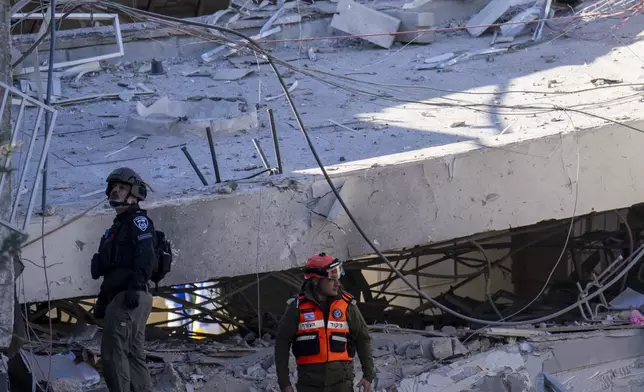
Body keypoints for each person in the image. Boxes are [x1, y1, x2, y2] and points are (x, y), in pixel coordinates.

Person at [90, 167, 156, 392]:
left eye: (122, 187)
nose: (115, 191)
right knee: (132, 354)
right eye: (114, 188)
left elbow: (146, 255)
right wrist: (102, 301)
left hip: (129, 297)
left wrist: (134, 287)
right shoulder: (118, 227)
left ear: (135, 193)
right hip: (123, 298)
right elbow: (112, 270)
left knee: (114, 354)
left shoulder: (138, 222)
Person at [275, 253, 374, 392]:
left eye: (337, 278)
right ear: (317, 281)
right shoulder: (297, 307)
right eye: (331, 279)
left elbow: (363, 338)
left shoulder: (347, 305)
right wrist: (284, 383)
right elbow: (282, 342)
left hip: (342, 385)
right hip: (309, 385)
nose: (337, 283)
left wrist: (368, 375)